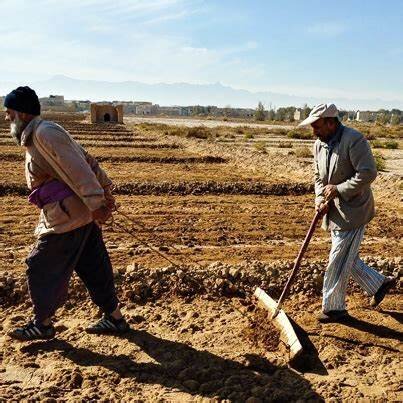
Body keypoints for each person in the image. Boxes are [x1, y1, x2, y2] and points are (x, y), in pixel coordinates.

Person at [4, 86, 129, 340]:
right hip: (73, 213)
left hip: (67, 217)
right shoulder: (37, 135)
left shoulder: (45, 133)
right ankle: (115, 319)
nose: (7, 118)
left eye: (9, 112)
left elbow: (79, 168)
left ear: (23, 113)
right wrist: (101, 196)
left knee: (38, 265)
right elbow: (87, 160)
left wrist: (99, 203)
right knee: (94, 266)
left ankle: (43, 324)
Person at [299, 103, 396, 323]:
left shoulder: (354, 140)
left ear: (331, 123)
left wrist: (339, 190)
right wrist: (319, 198)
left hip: (354, 210)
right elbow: (318, 177)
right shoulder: (318, 145)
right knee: (346, 257)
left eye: (317, 126)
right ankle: (378, 283)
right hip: (334, 212)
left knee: (338, 258)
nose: (314, 131)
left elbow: (368, 172)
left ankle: (334, 308)